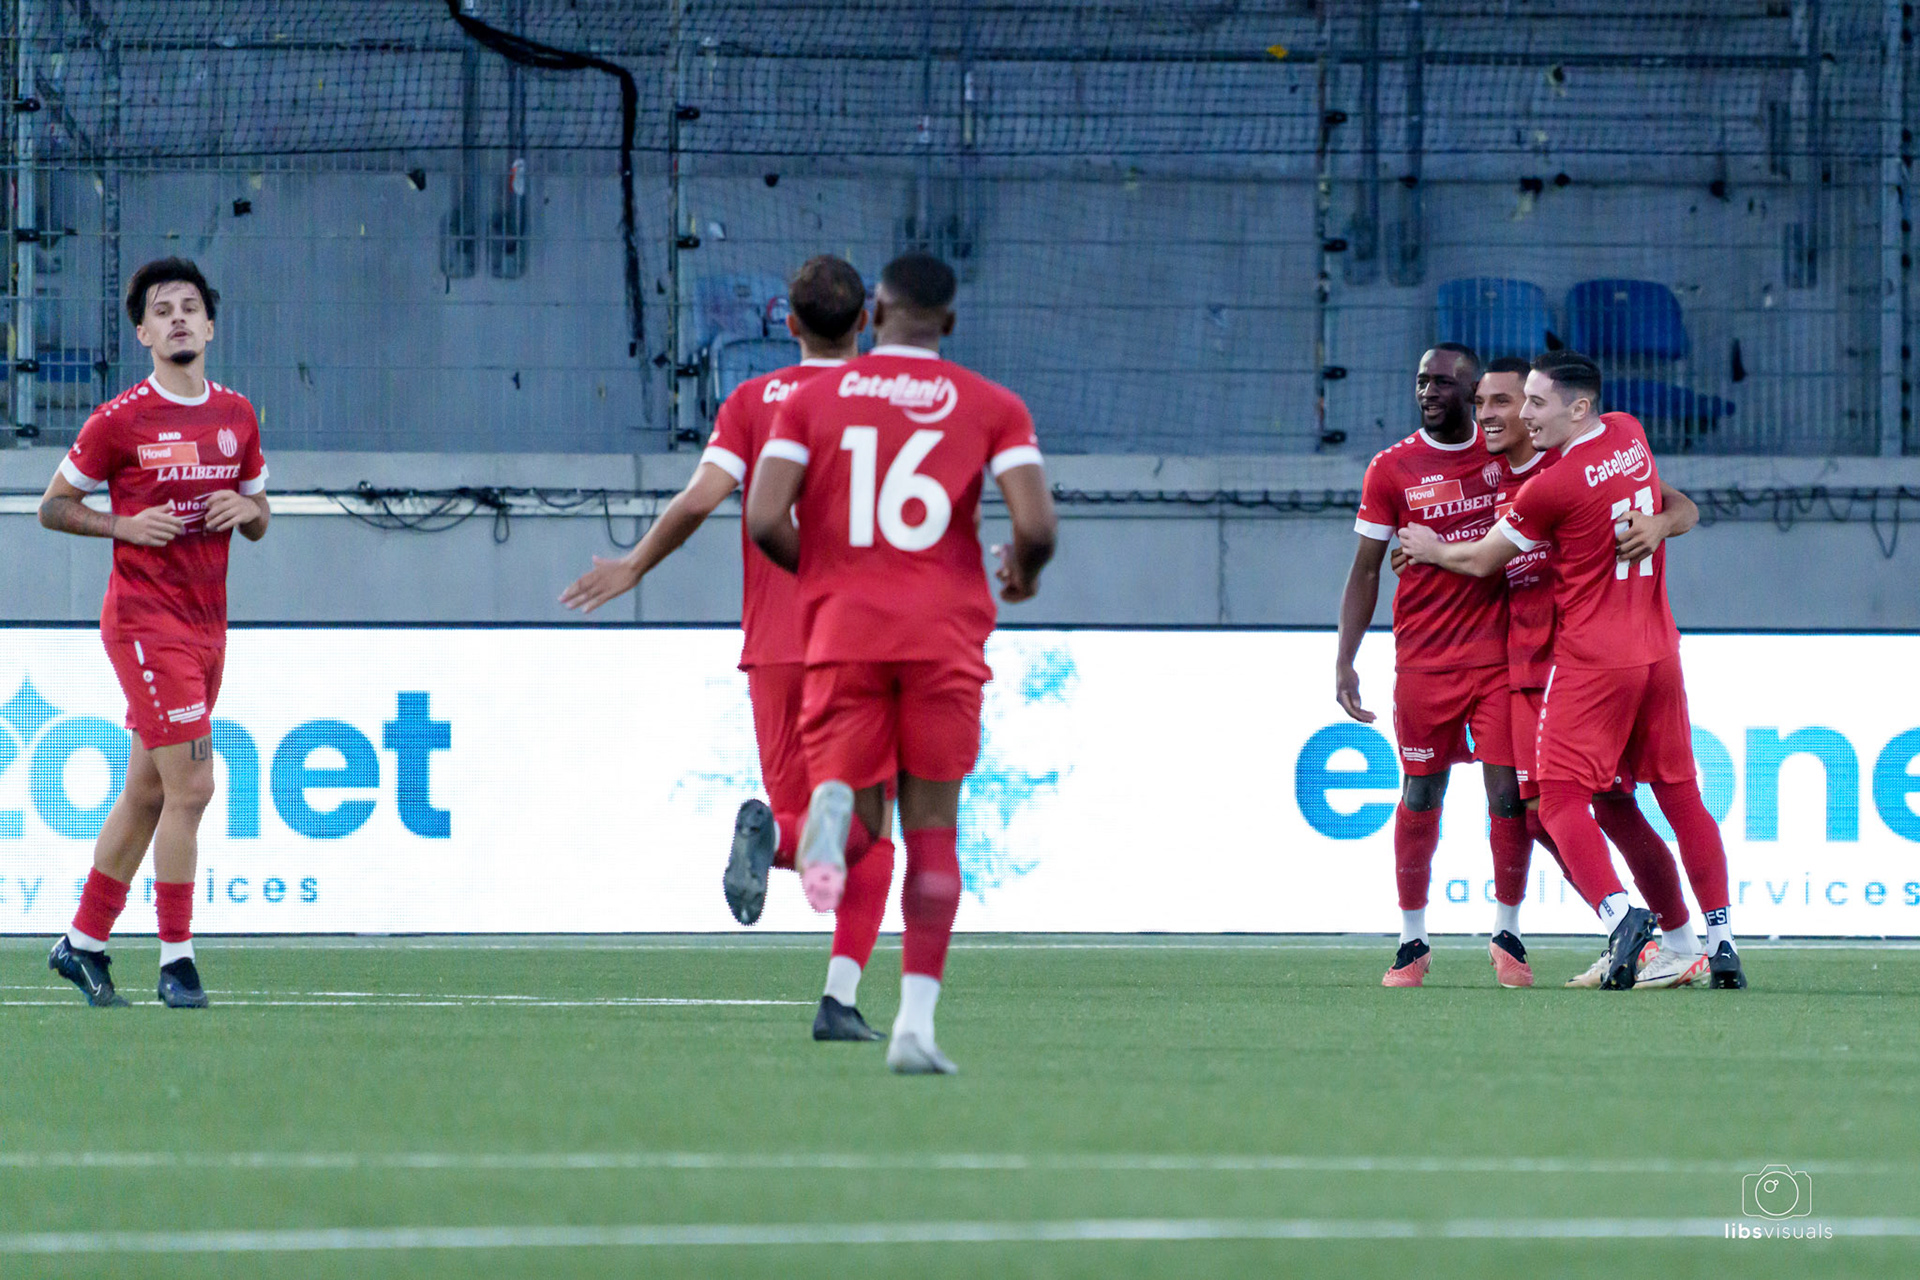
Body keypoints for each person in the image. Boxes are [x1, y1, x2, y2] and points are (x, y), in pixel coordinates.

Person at [560, 254, 892, 1042]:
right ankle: (837, 997)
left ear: (789, 323)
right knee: (870, 836)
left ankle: (830, 983)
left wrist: (635, 564)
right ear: (866, 323)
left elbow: (702, 498)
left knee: (813, 822)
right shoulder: (888, 407)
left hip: (774, 648)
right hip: (862, 642)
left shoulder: (753, 401)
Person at [747, 251, 1057, 1073]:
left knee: (862, 821)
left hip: (842, 638)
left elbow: (763, 513)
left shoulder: (812, 398)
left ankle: (821, 825)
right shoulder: (992, 405)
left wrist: (824, 574)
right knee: (932, 835)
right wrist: (1021, 575)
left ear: (872, 315)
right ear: (949, 324)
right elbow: (1037, 525)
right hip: (940, 640)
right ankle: (915, 1026)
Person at [1399, 351, 1744, 991]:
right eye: (1510, 402)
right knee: (1655, 798)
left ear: (1576, 408)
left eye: (1530, 402)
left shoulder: (1550, 485)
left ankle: (1626, 922)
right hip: (1656, 650)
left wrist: (1431, 548)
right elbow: (1681, 508)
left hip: (1585, 662)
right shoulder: (1628, 432)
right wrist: (1663, 523)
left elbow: (1480, 562)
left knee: (1555, 804)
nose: (1519, 414)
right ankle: (1705, 944)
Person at [37, 257, 269, 1009]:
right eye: (161, 309)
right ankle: (177, 961)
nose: (177, 318)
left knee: (146, 792)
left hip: (207, 626)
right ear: (142, 332)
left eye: (189, 307)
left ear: (210, 325)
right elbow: (53, 506)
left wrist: (250, 513)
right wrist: (123, 524)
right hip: (144, 623)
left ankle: (83, 943)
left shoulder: (237, 415)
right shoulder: (119, 420)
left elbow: (262, 512)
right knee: (195, 785)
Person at [1337, 344, 1529, 988]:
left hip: (1498, 658)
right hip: (1423, 659)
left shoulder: (1507, 455)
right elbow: (1366, 570)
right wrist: (1345, 660)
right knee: (1423, 790)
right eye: (1421, 381)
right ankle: (1411, 941)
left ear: (1474, 394)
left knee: (1507, 794)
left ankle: (1508, 932)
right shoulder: (1392, 468)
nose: (1428, 392)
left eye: (1444, 383)